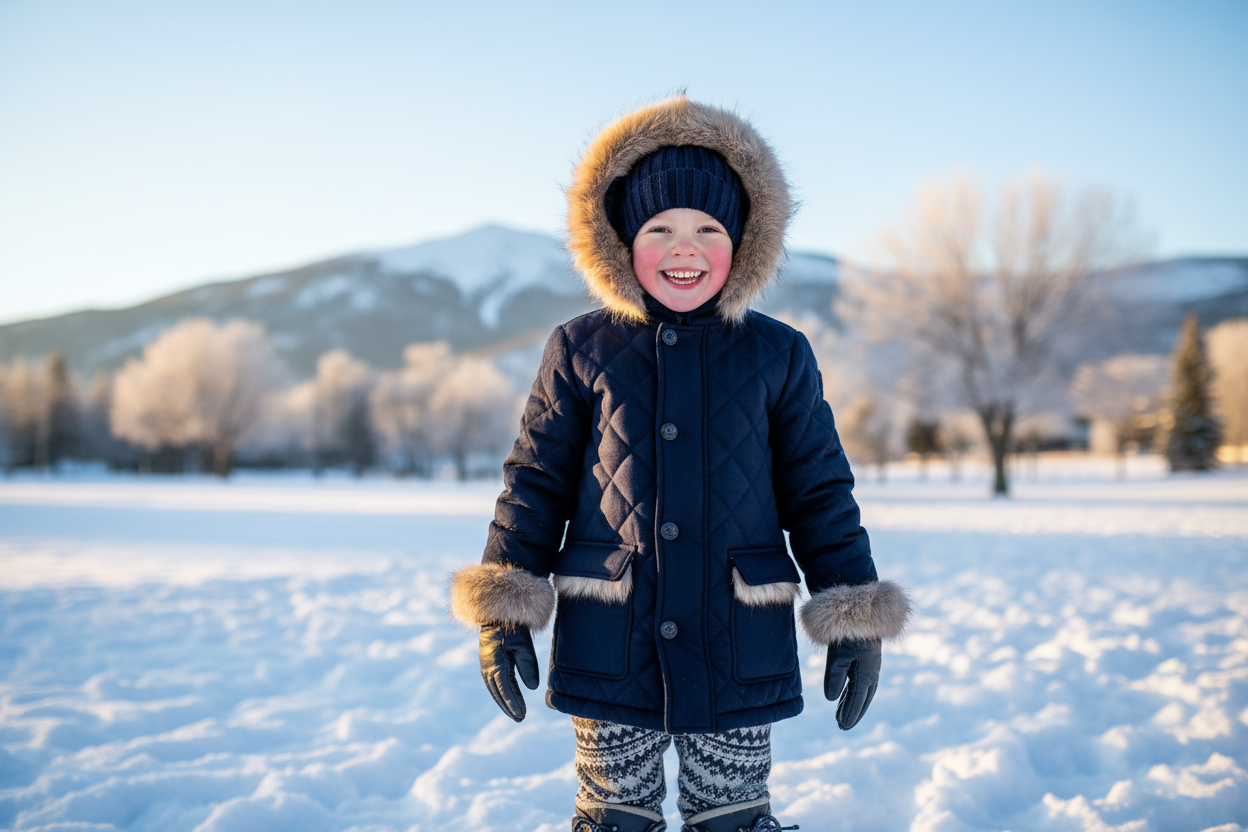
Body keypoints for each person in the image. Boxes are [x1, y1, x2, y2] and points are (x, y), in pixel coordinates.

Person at [450, 95, 911, 832]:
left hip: (738, 632)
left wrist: (853, 610)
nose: (684, 248)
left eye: (708, 228)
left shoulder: (778, 353)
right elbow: (535, 479)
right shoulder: (580, 348)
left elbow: (819, 491)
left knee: (732, 816)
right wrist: (504, 605)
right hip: (613, 629)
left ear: (745, 242)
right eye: (659, 228)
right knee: (614, 818)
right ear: (620, 243)